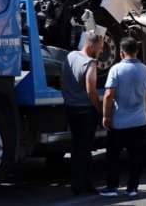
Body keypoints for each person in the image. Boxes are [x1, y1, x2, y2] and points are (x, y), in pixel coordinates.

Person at [99, 37, 146, 198]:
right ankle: (132, 188)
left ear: (122, 52)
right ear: (136, 51)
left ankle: (112, 188)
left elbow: (109, 94)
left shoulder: (116, 70)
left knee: (112, 156)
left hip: (119, 123)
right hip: (139, 122)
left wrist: (106, 115)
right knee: (136, 157)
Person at [62, 32, 104, 196]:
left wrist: (67, 97)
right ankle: (84, 184)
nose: (100, 52)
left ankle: (75, 181)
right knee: (85, 149)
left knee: (76, 146)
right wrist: (100, 110)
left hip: (70, 108)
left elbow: (62, 80)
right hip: (85, 111)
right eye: (99, 48)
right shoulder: (90, 64)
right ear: (90, 45)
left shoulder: (70, 56)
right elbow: (91, 91)